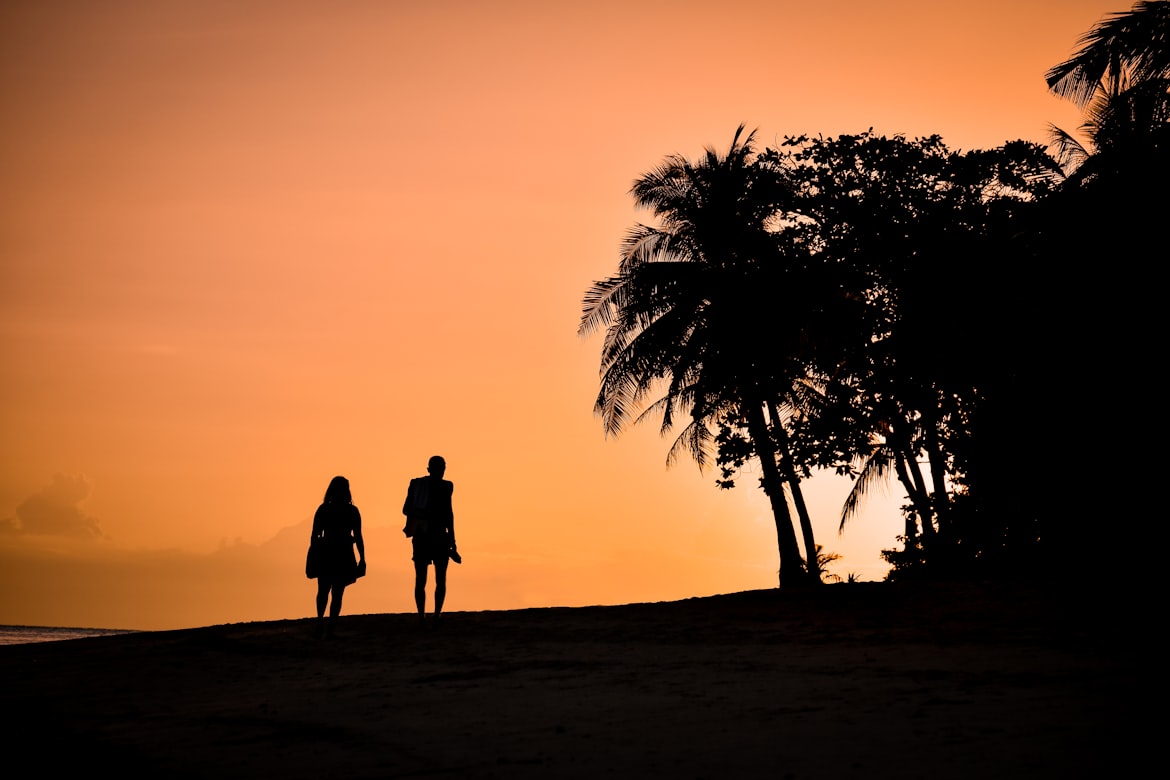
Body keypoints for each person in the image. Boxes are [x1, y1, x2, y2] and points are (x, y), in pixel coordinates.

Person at [402, 455, 459, 627]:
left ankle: (430, 615)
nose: (441, 471)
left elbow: (449, 513)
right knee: (430, 579)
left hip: (430, 536)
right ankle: (429, 615)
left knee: (428, 579)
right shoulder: (422, 485)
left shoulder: (436, 486)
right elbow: (448, 514)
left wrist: (453, 540)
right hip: (429, 536)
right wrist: (453, 541)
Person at [309, 475, 366, 638]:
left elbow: (314, 535)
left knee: (323, 590)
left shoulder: (324, 509)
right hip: (343, 552)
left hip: (326, 552)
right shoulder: (352, 511)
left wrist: (314, 552)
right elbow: (358, 536)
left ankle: (320, 622)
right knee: (337, 592)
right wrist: (362, 557)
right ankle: (330, 626)